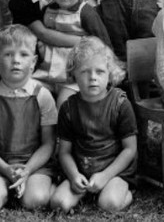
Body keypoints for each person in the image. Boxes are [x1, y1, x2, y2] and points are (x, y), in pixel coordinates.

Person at [0, 25, 57, 212]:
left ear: (34, 61)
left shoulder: (42, 96)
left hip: (34, 165)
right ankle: (2, 189)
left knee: (35, 200)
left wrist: (27, 170)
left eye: (24, 55)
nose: (16, 61)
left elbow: (48, 143)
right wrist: (5, 169)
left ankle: (37, 187)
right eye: (8, 54)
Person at [50, 37, 137, 213]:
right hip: (82, 170)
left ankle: (125, 192)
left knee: (108, 204)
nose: (93, 78)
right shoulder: (68, 108)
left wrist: (105, 176)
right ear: (73, 74)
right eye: (84, 72)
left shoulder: (120, 104)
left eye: (99, 72)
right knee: (59, 204)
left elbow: (130, 150)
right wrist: (74, 175)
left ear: (110, 73)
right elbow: (64, 151)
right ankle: (86, 189)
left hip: (114, 172)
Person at [34, 0, 111, 103]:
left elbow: (104, 45)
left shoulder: (86, 13)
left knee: (64, 103)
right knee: (30, 95)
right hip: (46, 75)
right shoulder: (46, 11)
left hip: (74, 79)